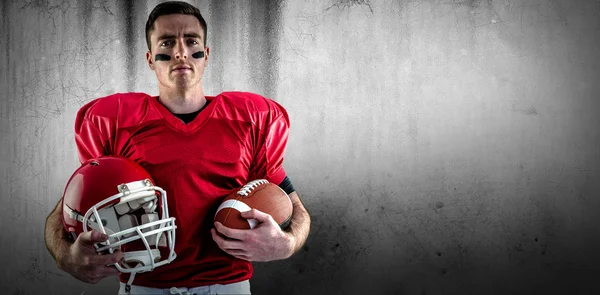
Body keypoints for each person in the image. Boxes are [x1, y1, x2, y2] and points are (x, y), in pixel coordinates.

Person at [44, 1, 311, 294]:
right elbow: (69, 207)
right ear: (150, 59)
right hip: (145, 285)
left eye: (191, 41)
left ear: (206, 55)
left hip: (228, 285)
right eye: (167, 42)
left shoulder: (250, 118)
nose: (181, 52)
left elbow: (296, 207)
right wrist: (65, 256)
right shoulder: (117, 121)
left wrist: (287, 243)